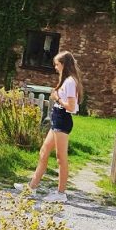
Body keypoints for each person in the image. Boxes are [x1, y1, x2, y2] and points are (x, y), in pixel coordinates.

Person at [15, 51, 82, 202]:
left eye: (57, 64)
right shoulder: (66, 81)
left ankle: (61, 194)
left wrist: (57, 97)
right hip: (58, 118)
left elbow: (71, 107)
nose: (55, 67)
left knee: (60, 157)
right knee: (44, 152)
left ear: (64, 64)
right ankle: (31, 188)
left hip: (63, 119)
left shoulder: (70, 82)